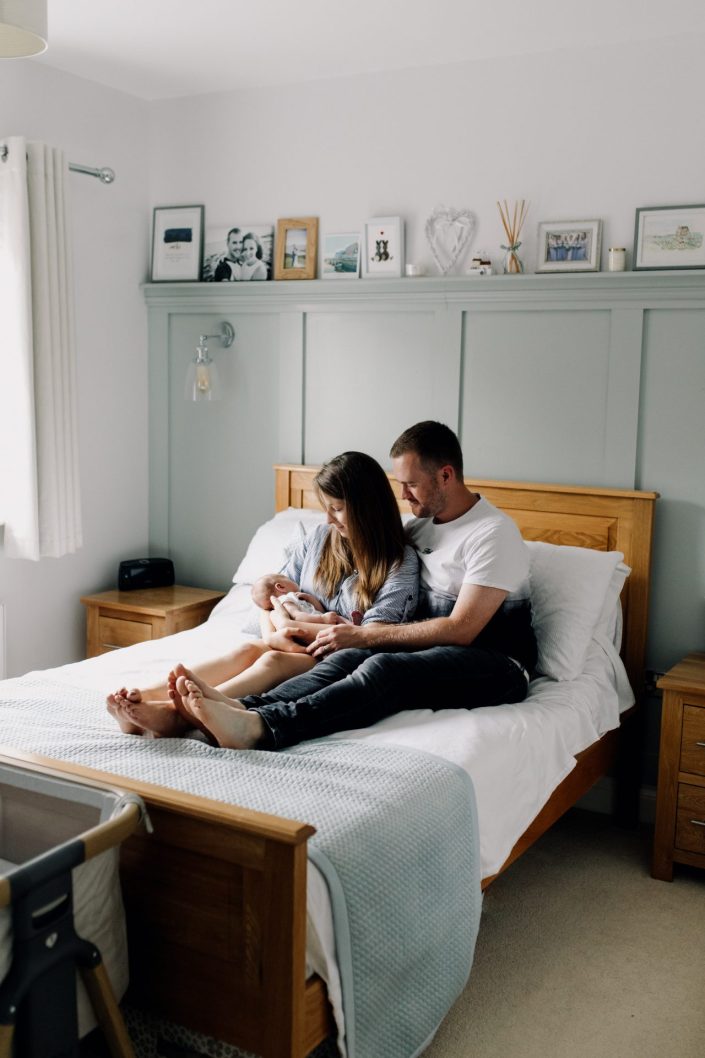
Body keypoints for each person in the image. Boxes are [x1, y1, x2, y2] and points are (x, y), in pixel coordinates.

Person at [178, 420, 538, 751]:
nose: (404, 496)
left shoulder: (493, 533)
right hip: (425, 650)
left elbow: (461, 631)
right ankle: (238, 708)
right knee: (352, 658)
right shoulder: (419, 526)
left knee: (383, 670)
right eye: (400, 485)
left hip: (497, 664)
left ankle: (263, 727)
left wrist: (362, 635)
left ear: (446, 475)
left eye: (411, 485)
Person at [107, 451, 418, 737]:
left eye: (337, 509)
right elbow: (272, 594)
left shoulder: (399, 562)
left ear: (367, 508)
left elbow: (371, 636)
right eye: (327, 509)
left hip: (332, 658)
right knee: (245, 652)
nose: (328, 519)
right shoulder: (320, 539)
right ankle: (145, 696)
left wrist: (293, 630)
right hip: (285, 639)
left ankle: (178, 713)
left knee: (272, 663)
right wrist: (274, 635)